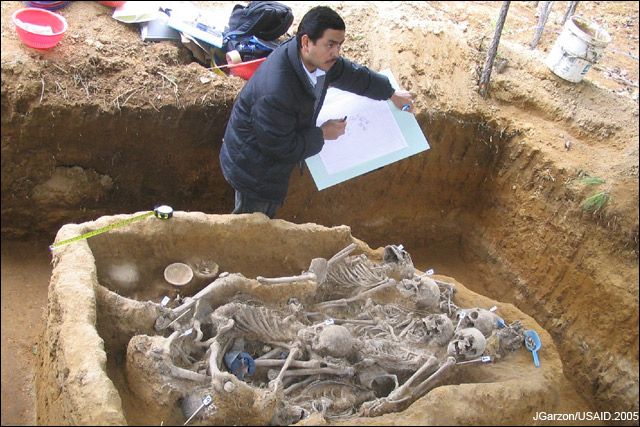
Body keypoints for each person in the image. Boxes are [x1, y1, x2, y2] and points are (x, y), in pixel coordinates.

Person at [220, 5, 414, 219]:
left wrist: (389, 92)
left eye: (339, 45)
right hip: (254, 168)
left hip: (265, 150)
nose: (336, 52)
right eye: (330, 44)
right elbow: (281, 148)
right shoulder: (276, 92)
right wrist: (321, 134)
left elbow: (350, 74)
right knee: (252, 224)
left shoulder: (314, 60)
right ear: (306, 42)